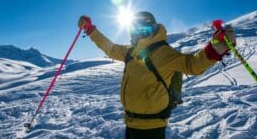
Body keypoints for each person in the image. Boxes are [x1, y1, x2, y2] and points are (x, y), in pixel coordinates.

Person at [78, 11, 236, 139]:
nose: (140, 35)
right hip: (131, 121)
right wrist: (91, 30)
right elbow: (110, 48)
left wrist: (216, 48)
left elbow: (192, 65)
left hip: (152, 126)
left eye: (145, 31)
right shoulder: (130, 52)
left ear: (153, 30)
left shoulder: (164, 52)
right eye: (136, 31)